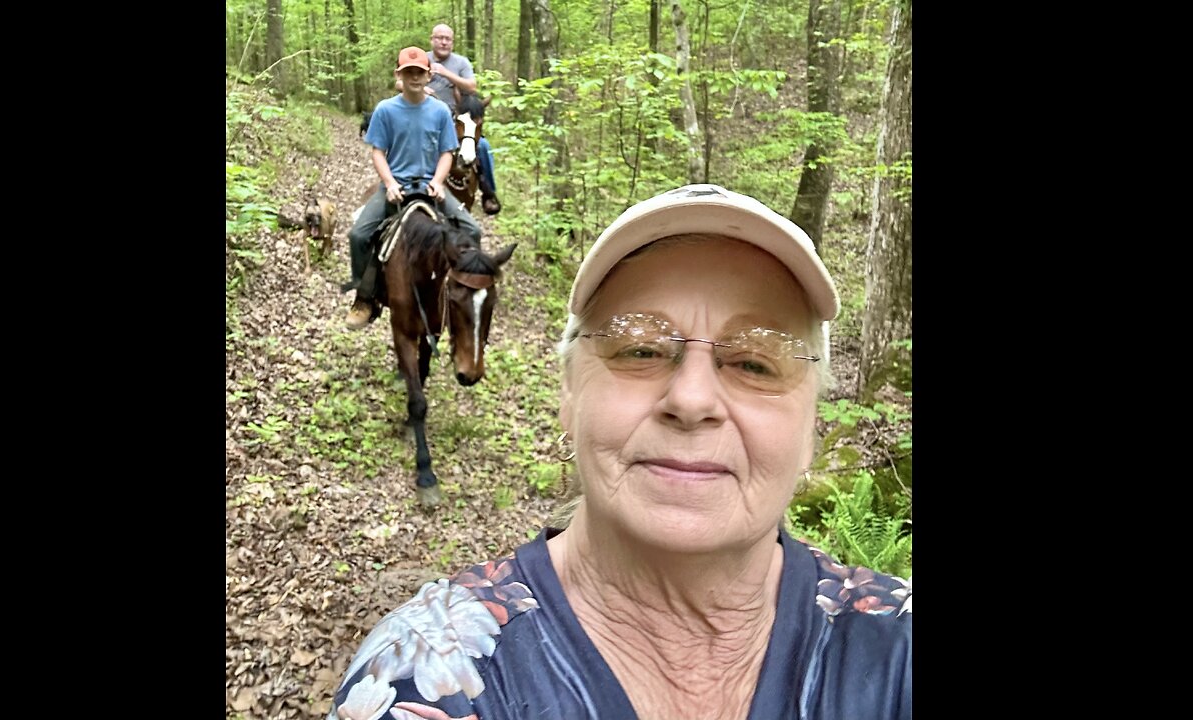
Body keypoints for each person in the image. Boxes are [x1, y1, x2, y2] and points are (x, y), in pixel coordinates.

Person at [327, 184, 912, 720]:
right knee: (364, 232)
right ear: (569, 395)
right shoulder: (424, 678)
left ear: (812, 424)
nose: (691, 398)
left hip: (438, 188)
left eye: (755, 362)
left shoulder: (897, 650)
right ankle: (366, 294)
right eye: (640, 350)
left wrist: (442, 176)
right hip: (396, 187)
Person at [344, 46, 483, 331]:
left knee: (473, 231)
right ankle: (364, 296)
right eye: (409, 72)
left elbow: (447, 152)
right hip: (397, 188)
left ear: (429, 74)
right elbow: (378, 151)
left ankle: (464, 293)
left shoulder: (441, 111)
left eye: (420, 72)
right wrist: (389, 183)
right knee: (358, 234)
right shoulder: (385, 110)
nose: (415, 77)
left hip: (430, 188)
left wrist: (438, 181)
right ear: (399, 75)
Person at [423, 23, 501, 216]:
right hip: (427, 117)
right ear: (432, 39)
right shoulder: (422, 59)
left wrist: (445, 72)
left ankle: (488, 192)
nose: (443, 42)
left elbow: (471, 86)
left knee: (482, 146)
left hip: (458, 117)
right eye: (439, 38)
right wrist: (421, 87)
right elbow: (399, 81)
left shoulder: (461, 62)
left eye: (447, 39)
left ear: (452, 42)